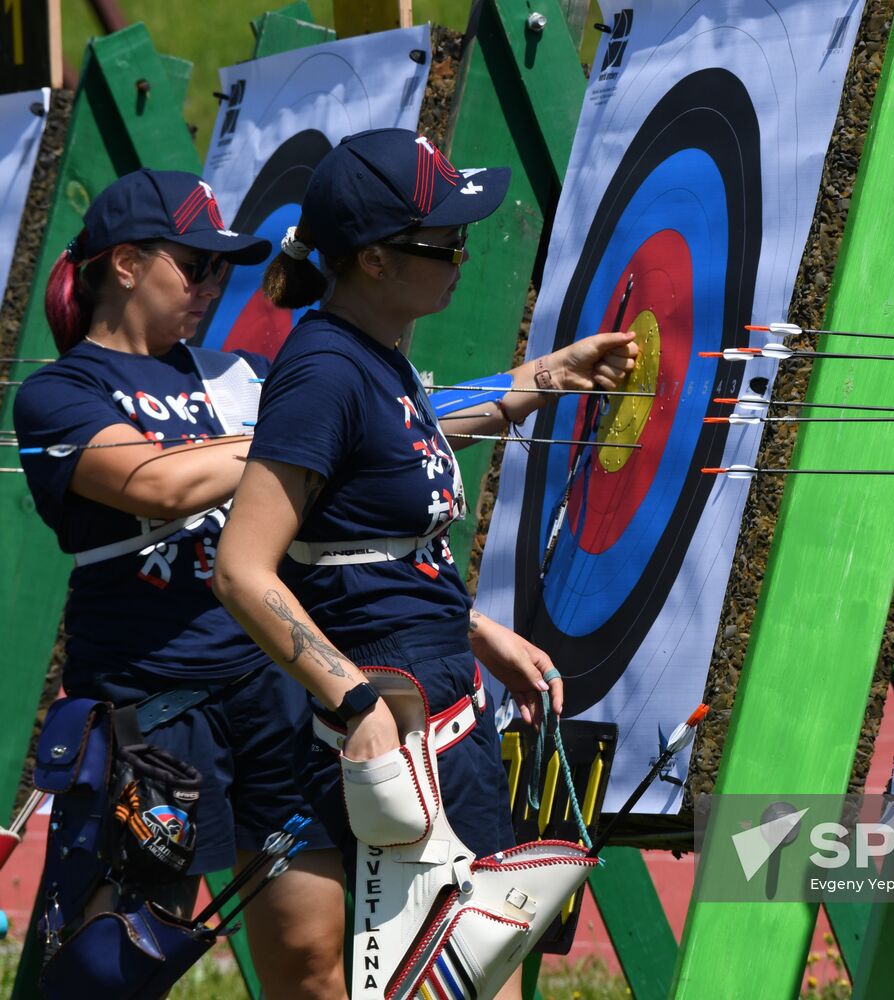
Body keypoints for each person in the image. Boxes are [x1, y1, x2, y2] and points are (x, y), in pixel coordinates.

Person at [212, 128, 637, 998]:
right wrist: (353, 696)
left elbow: (403, 455)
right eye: (443, 243)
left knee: (477, 963)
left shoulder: (374, 355)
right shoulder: (324, 372)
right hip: (368, 718)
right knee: (370, 976)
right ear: (373, 258)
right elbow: (243, 567)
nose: (462, 255)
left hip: (431, 691)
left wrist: (551, 374)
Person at [12, 169, 346, 996]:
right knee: (111, 972)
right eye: (193, 266)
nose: (209, 288)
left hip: (268, 702)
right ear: (125, 264)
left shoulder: (233, 375)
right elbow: (157, 485)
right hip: (152, 717)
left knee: (313, 959)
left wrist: (538, 385)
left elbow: (378, 429)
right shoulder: (59, 394)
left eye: (221, 271)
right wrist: (292, 432)